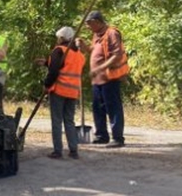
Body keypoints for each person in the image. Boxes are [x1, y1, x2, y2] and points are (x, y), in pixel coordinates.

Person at [86, 10, 130, 147]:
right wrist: (83, 46)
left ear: (98, 22)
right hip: (97, 79)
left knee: (113, 107)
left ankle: (117, 138)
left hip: (110, 77)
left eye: (90, 24)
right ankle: (101, 135)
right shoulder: (97, 34)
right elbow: (93, 50)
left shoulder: (112, 33)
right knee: (98, 107)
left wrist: (100, 68)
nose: (88, 27)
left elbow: (116, 55)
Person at [42, 26, 85, 159]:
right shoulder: (79, 55)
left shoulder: (59, 50)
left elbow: (54, 71)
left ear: (61, 38)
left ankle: (57, 151)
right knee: (69, 121)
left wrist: (46, 85)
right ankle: (73, 150)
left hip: (59, 90)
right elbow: (65, 66)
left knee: (56, 121)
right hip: (73, 92)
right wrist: (45, 63)